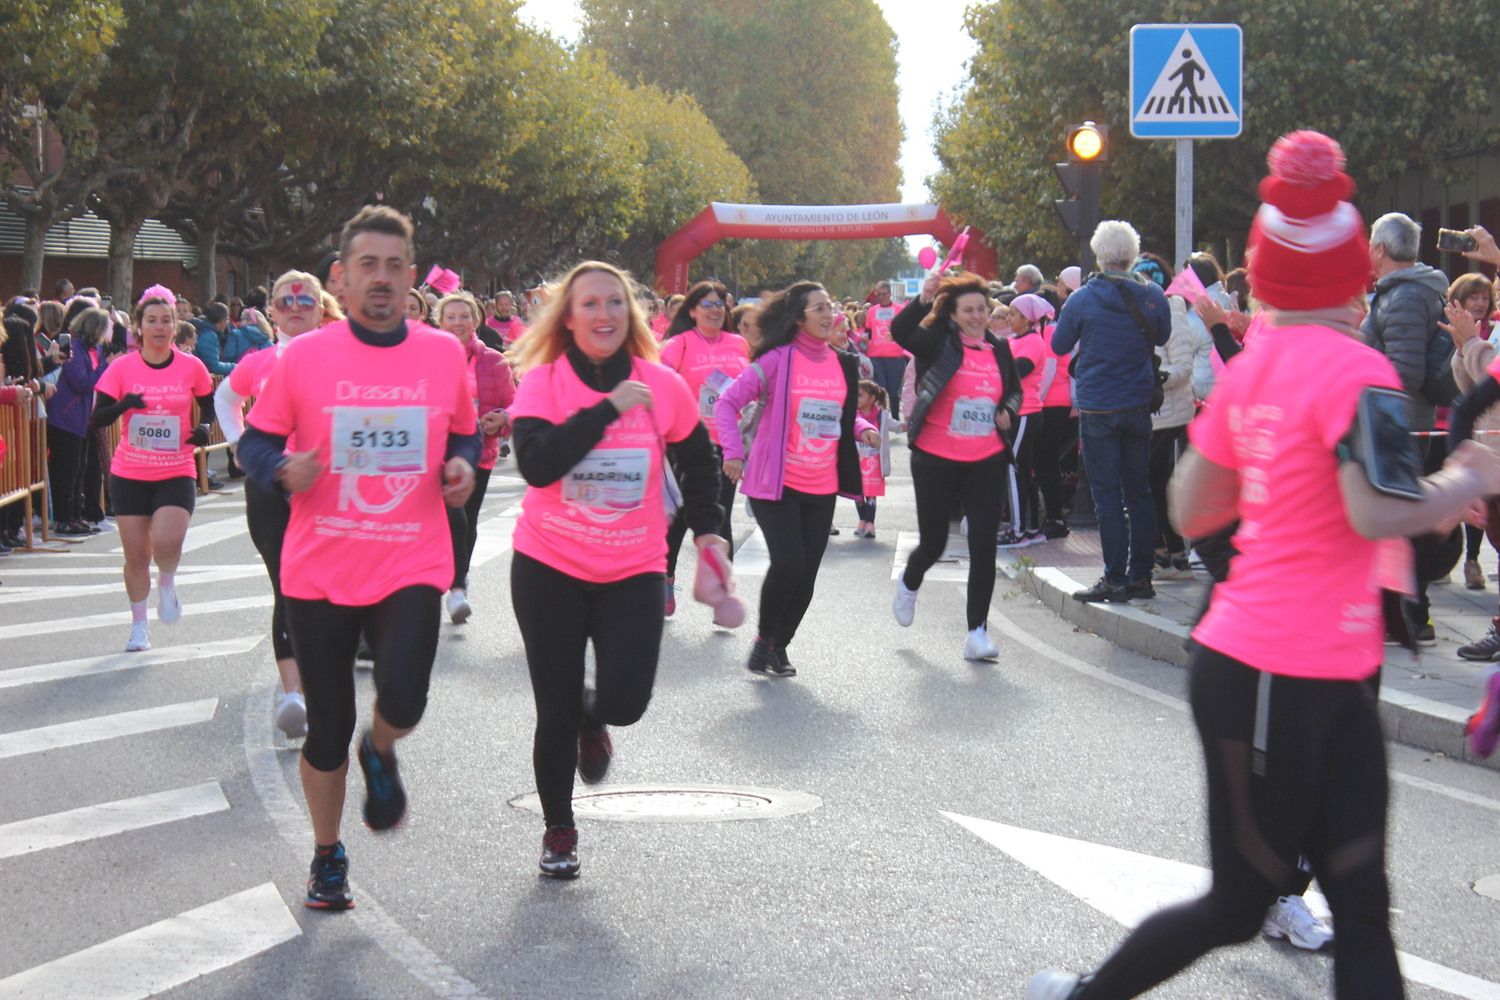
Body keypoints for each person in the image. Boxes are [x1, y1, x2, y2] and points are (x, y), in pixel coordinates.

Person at [1026, 129, 1500, 1000]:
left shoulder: (1254, 369)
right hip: (1282, 674)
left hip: (1287, 668)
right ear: (1355, 272)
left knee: (1351, 904)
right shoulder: (1363, 375)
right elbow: (1373, 512)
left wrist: (1281, 497)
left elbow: (1192, 508)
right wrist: (1465, 476)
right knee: (1257, 903)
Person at [236, 206, 478, 911]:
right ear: (340, 278)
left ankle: (384, 746)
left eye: (394, 266)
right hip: (319, 568)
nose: (381, 278)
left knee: (403, 697)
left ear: (410, 278)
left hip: (409, 557)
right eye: (367, 265)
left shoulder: (441, 353)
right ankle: (326, 853)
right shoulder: (305, 356)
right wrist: (282, 469)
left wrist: (461, 466)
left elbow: (462, 435)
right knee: (327, 726)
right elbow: (252, 444)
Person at [506, 261, 726, 878]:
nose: (603, 315)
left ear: (631, 314)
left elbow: (699, 462)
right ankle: (559, 830)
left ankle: (594, 717)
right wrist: (606, 410)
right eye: (589, 305)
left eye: (614, 303)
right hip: (548, 563)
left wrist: (711, 531)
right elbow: (538, 465)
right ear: (568, 319)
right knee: (553, 706)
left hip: (633, 566)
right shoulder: (543, 382)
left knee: (626, 701)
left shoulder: (663, 383)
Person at [715, 281, 877, 677]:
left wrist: (861, 429)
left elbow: (838, 412)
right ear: (798, 318)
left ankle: (777, 646)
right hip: (777, 481)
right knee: (788, 562)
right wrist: (733, 453)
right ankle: (764, 638)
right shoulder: (776, 360)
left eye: (830, 307)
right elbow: (727, 402)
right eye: (818, 308)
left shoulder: (843, 363)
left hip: (822, 484)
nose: (827, 315)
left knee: (807, 571)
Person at [216, 270, 343, 740]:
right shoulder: (259, 361)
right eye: (285, 300)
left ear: (320, 307)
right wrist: (239, 444)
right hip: (271, 486)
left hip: (329, 488)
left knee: (327, 587)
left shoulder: (342, 358)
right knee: (286, 584)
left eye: (304, 300)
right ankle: (294, 694)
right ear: (271, 310)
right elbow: (225, 398)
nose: (294, 307)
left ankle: (323, 674)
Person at [890, 271, 1022, 660]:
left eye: (982, 309)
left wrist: (1007, 411)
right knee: (934, 542)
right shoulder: (937, 342)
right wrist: (922, 299)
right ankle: (910, 582)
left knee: (984, 544)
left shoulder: (999, 349)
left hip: (985, 457)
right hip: (935, 455)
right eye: (969, 310)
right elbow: (900, 332)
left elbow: (1014, 390)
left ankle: (977, 633)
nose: (978, 316)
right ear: (953, 313)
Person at [1050, 221, 1171, 603]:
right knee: (1140, 492)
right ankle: (1141, 577)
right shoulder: (1154, 297)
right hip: (1138, 404)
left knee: (1106, 496)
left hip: (1099, 404)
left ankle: (1114, 578)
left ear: (1100, 256)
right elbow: (1164, 336)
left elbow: (1058, 343)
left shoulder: (1083, 298)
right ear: (1132, 255)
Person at [92, 285, 215, 652]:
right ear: (139, 327)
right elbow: (97, 417)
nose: (159, 327)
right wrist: (124, 404)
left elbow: (207, 405)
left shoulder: (191, 366)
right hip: (130, 471)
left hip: (176, 467)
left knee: (166, 541)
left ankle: (168, 580)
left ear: (175, 326)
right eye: (152, 321)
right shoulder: (122, 368)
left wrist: (205, 427)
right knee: (136, 555)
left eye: (166, 320)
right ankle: (139, 626)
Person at [1364, 212, 1453, 643]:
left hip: (1399, 424)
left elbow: (1403, 373)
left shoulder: (1403, 297)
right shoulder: (1409, 292)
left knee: (1399, 525)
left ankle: (1411, 617)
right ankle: (1406, 615)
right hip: (1403, 422)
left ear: (1380, 248)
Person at [658, 280, 748, 616]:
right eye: (707, 304)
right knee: (679, 517)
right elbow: (660, 386)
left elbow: (752, 387)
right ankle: (666, 579)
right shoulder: (678, 344)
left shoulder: (739, 344)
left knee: (719, 515)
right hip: (685, 444)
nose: (714, 309)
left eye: (719, 304)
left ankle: (721, 590)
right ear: (692, 310)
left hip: (727, 443)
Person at [434, 290, 514, 623]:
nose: (457, 323)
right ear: (439, 322)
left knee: (464, 521)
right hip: (432, 453)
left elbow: (513, 403)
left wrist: (503, 417)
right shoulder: (427, 356)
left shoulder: (494, 361)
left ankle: (458, 587)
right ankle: (432, 584)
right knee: (443, 521)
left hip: (479, 452)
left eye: (464, 316)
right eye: (450, 317)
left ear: (476, 321)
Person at [1149, 253, 1216, 580]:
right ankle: (1170, 553)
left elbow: (1183, 367)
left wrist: (1156, 377)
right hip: (1157, 412)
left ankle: (1170, 553)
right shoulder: (1153, 310)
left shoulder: (1172, 314)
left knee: (1155, 483)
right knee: (1157, 482)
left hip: (1170, 410)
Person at [1442, 272, 1497, 591]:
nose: (1483, 302)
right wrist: (1464, 350)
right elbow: (1475, 392)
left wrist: (1472, 344)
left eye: (1486, 296)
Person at [46, 307, 112, 536]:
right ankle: (64, 518)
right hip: (66, 417)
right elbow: (82, 382)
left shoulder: (95, 350)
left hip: (83, 418)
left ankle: (76, 515)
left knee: (80, 469)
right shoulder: (74, 348)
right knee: (67, 469)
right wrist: (107, 366)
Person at [999, 293, 1055, 548]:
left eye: (1013, 314)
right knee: (1023, 470)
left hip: (1025, 411)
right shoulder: (1015, 340)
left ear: (1027, 318)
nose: (1009, 318)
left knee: (1012, 468)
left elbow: (1018, 371)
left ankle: (1018, 530)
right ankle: (1033, 528)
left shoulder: (1033, 342)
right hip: (1018, 411)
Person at [863, 280, 908, 420]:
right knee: (880, 389)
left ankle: (894, 418)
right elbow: (868, 333)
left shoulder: (899, 309)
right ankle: (880, 418)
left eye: (884, 294)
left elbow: (906, 330)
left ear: (889, 294)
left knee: (893, 392)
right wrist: (864, 345)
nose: (881, 297)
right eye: (879, 294)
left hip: (895, 356)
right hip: (875, 356)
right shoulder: (871, 311)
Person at [854, 379, 888, 538]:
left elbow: (892, 424)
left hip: (874, 463)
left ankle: (870, 523)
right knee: (858, 493)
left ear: (872, 398)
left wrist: (905, 425)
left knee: (871, 493)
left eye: (860, 395)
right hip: (857, 461)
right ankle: (862, 520)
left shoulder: (882, 415)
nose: (856, 399)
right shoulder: (853, 415)